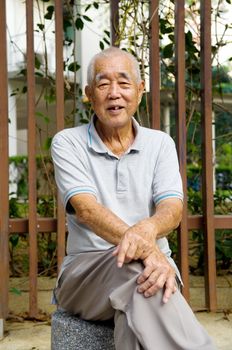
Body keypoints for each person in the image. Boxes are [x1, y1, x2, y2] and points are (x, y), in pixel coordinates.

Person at [51, 46, 216, 349]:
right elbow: (86, 210)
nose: (114, 93)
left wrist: (148, 233)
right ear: (89, 93)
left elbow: (172, 208)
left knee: (138, 299)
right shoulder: (67, 143)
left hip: (155, 268)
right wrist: (148, 252)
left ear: (140, 90)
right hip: (86, 274)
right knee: (136, 271)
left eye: (124, 83)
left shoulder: (160, 144)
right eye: (103, 84)